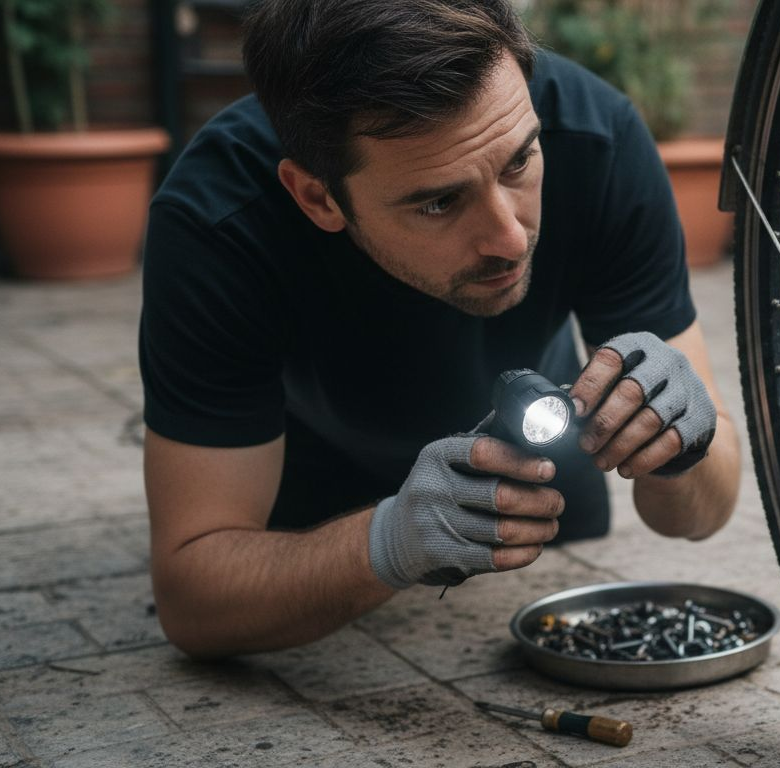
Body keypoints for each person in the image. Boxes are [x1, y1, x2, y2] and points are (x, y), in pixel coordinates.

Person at [138, 0, 740, 658]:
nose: (510, 239)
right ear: (318, 197)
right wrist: (390, 541)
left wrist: (687, 442)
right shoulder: (218, 221)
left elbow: (703, 513)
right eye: (439, 201)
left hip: (543, 498)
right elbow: (193, 601)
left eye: (518, 164)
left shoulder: (597, 137)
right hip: (311, 540)